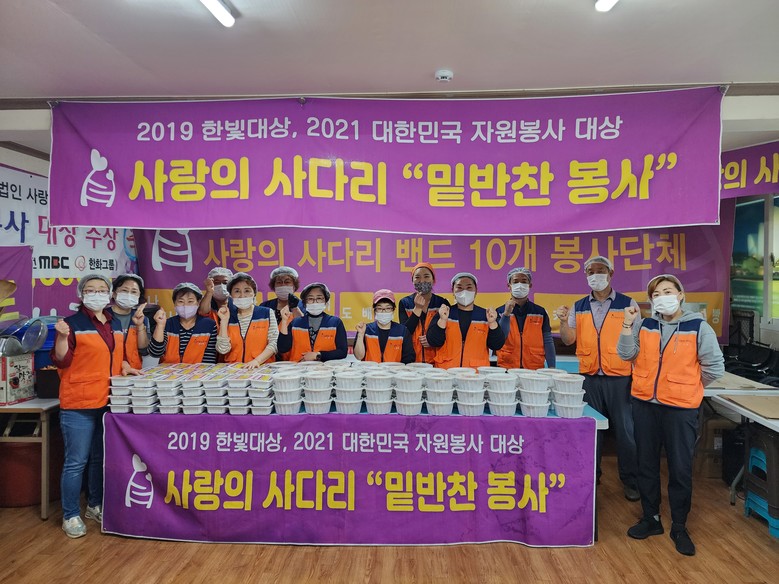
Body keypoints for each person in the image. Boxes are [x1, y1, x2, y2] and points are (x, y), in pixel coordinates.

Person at [618, 274, 724, 557]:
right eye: (655, 294)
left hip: (680, 409)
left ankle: (679, 526)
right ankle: (650, 518)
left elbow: (714, 367)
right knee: (646, 464)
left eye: (667, 291)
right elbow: (626, 355)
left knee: (680, 468)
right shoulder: (645, 325)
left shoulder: (698, 327)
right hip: (645, 404)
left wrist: (687, 387)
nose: (661, 297)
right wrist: (627, 324)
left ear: (680, 295)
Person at [50, 273, 139, 539]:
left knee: (100, 458)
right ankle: (70, 514)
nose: (97, 293)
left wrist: (124, 366)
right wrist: (62, 337)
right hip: (79, 402)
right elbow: (62, 360)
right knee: (76, 461)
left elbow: (113, 355)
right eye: (91, 289)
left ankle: (94, 505)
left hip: (108, 400)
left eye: (102, 289)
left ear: (109, 294)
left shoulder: (112, 322)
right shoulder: (71, 323)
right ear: (81, 294)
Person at [555, 255, 640, 502]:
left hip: (620, 377)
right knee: (591, 429)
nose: (595, 275)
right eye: (590, 272)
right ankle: (592, 476)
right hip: (589, 376)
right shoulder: (579, 306)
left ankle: (631, 481)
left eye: (600, 270)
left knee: (626, 431)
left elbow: (638, 339)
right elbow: (569, 340)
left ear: (611, 273)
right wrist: (563, 322)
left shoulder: (627, 303)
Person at [426, 272, 505, 369]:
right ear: (453, 291)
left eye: (469, 287)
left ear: (476, 291)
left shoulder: (486, 315)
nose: (464, 291)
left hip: (475, 373)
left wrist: (492, 323)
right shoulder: (445, 313)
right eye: (459, 287)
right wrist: (442, 320)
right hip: (446, 372)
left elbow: (497, 345)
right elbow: (433, 341)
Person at [496, 267, 556, 369]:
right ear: (509, 286)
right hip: (507, 367)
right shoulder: (500, 311)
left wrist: (552, 367)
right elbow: (499, 339)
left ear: (530, 285)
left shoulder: (540, 312)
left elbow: (548, 341)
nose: (520, 285)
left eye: (524, 282)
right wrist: (506, 314)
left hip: (534, 368)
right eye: (515, 282)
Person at [216, 272, 279, 368]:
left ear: (254, 293)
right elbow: (223, 350)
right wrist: (224, 321)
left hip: (262, 368)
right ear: (231, 295)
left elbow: (274, 343)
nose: (242, 295)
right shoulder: (227, 315)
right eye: (237, 291)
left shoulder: (266, 313)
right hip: (235, 369)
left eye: (247, 291)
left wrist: (257, 361)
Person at [148, 282, 218, 364]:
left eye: (190, 301)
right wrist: (160, 325)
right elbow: (155, 353)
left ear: (198, 303)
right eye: (181, 301)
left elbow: (209, 359)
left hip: (198, 371)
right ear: (174, 303)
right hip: (169, 370)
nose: (185, 305)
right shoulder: (167, 324)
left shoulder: (209, 325)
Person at [277, 282, 347, 362]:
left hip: (325, 368)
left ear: (326, 301)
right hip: (298, 368)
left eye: (319, 298)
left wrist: (318, 355)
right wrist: (284, 321)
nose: (315, 302)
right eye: (310, 299)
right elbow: (282, 348)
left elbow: (342, 352)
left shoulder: (335, 323)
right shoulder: (295, 323)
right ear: (305, 302)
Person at [398, 262, 451, 364]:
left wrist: (432, 340)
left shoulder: (442, 303)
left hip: (437, 362)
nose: (422, 280)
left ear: (433, 280)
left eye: (426, 276)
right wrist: (417, 309)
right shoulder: (405, 303)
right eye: (417, 277)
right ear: (412, 281)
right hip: (412, 361)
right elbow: (405, 332)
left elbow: (447, 333)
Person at [354, 289, 416, 364]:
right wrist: (360, 335)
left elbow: (409, 359)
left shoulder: (402, 331)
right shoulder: (366, 330)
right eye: (380, 308)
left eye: (388, 308)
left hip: (395, 371)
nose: (384, 311)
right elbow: (359, 356)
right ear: (375, 310)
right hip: (369, 370)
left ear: (393, 310)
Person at [109, 273, 149, 370]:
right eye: (124, 290)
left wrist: (140, 326)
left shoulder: (143, 318)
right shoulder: (103, 316)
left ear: (139, 296)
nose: (129, 295)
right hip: (108, 370)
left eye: (134, 292)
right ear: (113, 293)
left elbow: (144, 350)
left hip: (134, 372)